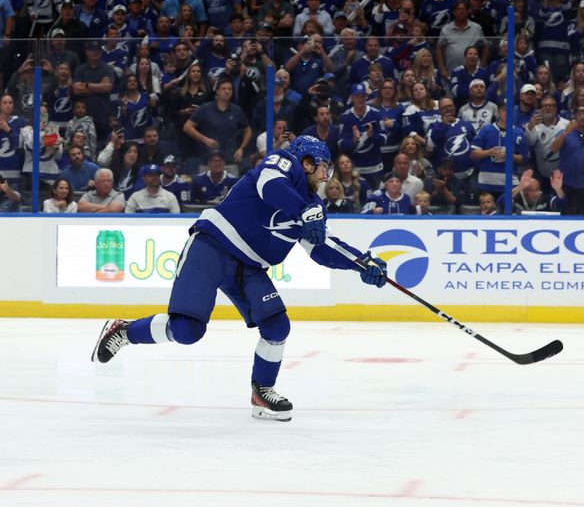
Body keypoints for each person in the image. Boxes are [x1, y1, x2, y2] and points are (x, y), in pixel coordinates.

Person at [92, 136, 387, 422]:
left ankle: (261, 391)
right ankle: (125, 331)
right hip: (213, 246)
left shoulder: (313, 207)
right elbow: (270, 186)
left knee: (277, 326)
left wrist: (361, 264)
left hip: (249, 267)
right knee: (187, 331)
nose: (326, 177)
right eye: (324, 168)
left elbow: (323, 248)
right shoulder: (281, 162)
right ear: (307, 163)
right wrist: (304, 213)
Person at [183, 76, 252, 175]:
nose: (227, 91)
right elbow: (187, 127)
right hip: (207, 160)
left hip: (229, 160)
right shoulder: (205, 108)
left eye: (230, 89)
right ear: (217, 91)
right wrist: (205, 140)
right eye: (224, 89)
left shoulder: (237, 110)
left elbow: (248, 130)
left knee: (230, 189)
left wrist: (242, 148)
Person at [551, 106, 584, 215]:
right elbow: (553, 148)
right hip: (566, 184)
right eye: (579, 114)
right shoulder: (564, 132)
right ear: (574, 116)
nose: (582, 117)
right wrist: (565, 133)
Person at [436, 0, 487, 81]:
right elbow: (439, 49)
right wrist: (442, 70)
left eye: (464, 9)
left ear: (468, 11)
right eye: (458, 9)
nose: (461, 11)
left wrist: (482, 64)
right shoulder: (446, 29)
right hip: (450, 74)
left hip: (473, 76)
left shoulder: (476, 28)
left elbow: (485, 46)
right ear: (454, 12)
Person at [525, 94, 569, 184]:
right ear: (540, 109)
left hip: (563, 175)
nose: (548, 108)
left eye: (551, 105)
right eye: (545, 106)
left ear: (556, 108)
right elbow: (530, 143)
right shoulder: (534, 125)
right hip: (542, 175)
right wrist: (530, 127)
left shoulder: (566, 124)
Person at [497, 169, 568, 214]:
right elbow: (501, 202)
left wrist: (558, 189)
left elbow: (562, 205)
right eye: (531, 190)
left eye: (537, 190)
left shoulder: (544, 199)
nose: (535, 194)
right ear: (524, 191)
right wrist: (519, 187)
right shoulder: (517, 199)